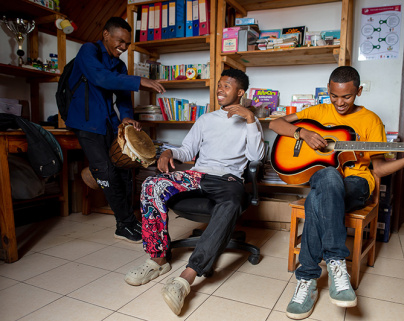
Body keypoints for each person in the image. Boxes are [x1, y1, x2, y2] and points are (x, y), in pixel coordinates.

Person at [269, 66, 404, 320]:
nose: (339, 103)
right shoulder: (318, 112)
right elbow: (275, 123)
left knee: (318, 196)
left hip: (358, 184)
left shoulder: (371, 120)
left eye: (346, 97)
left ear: (358, 91)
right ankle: (336, 263)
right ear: (328, 91)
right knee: (328, 175)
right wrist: (302, 132)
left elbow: (379, 169)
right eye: (334, 96)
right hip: (326, 181)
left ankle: (308, 279)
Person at [124, 69, 265, 315]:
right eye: (219, 85)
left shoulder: (251, 123)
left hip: (227, 179)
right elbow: (187, 151)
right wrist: (169, 152)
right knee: (151, 184)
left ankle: (185, 278)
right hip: (197, 175)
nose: (221, 89)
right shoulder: (206, 119)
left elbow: (256, 158)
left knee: (232, 202)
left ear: (240, 92)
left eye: (227, 86)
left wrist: (251, 119)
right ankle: (157, 259)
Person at [66, 17, 166, 243]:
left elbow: (122, 96)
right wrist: (140, 81)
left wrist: (128, 117)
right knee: (107, 171)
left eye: (127, 44)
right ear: (105, 35)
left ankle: (127, 214)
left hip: (109, 122)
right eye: (120, 41)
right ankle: (124, 224)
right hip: (85, 122)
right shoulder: (88, 51)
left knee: (124, 167)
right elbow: (101, 78)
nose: (123, 47)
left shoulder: (119, 65)